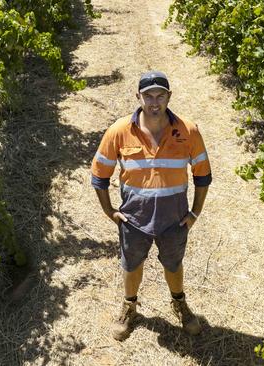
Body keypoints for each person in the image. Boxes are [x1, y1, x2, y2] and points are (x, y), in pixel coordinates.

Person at [91, 71, 212, 341]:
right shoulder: (120, 131)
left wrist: (194, 212)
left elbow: (203, 175)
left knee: (173, 263)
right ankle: (129, 306)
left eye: (160, 95)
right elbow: (99, 175)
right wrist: (110, 211)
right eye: (148, 96)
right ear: (138, 97)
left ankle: (179, 303)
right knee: (132, 264)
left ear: (169, 97)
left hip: (174, 218)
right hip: (134, 218)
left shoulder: (188, 130)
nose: (154, 102)